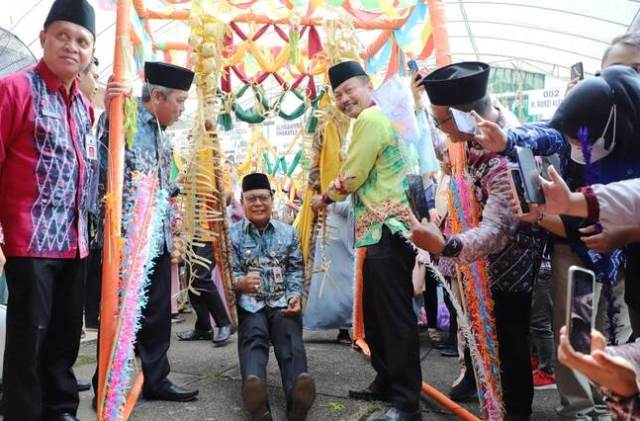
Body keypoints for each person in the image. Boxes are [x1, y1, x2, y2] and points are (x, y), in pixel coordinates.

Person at [412, 61, 546, 420]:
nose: (439, 130)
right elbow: (442, 138)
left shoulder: (503, 157)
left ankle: (514, 413)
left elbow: (498, 230)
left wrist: (445, 246)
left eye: (441, 120)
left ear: (465, 116)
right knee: (490, 341)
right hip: (484, 259)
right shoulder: (473, 134)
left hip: (511, 262)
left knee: (508, 342)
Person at [0, 0, 96, 419]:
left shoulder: (84, 107)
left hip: (75, 244)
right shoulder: (14, 90)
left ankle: (61, 411)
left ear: (90, 51)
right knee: (29, 344)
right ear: (44, 38)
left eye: (82, 41)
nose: (72, 47)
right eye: (63, 36)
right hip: (30, 243)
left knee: (64, 340)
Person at [311, 60, 421, 421]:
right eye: (338, 95)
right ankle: (386, 380)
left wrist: (324, 198)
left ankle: (407, 403)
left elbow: (353, 175)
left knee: (393, 318)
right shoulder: (373, 119)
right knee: (375, 315)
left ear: (367, 86)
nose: (344, 99)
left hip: (388, 230)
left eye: (349, 91)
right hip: (377, 232)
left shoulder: (371, 120)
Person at [91, 61, 199, 404]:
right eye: (179, 101)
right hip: (128, 239)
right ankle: (105, 384)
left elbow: (161, 184)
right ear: (157, 95)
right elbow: (104, 163)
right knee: (120, 315)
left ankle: (156, 379)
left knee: (156, 317)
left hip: (158, 237)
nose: (181, 109)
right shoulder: (125, 118)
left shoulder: (163, 137)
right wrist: (111, 105)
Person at [230, 172, 315, 421]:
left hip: (281, 303)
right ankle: (257, 402)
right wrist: (240, 283)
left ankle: (297, 400)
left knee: (289, 337)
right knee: (253, 340)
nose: (258, 203)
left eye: (263, 198)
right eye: (251, 199)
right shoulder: (232, 235)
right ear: (242, 201)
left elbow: (295, 269)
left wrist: (295, 296)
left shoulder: (288, 233)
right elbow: (227, 272)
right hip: (251, 304)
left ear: (272, 199)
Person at [303, 200, 354, 343]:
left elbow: (350, 207)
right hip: (329, 235)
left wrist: (327, 200)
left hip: (347, 234)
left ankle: (348, 327)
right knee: (326, 280)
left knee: (348, 279)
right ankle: (342, 327)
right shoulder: (326, 183)